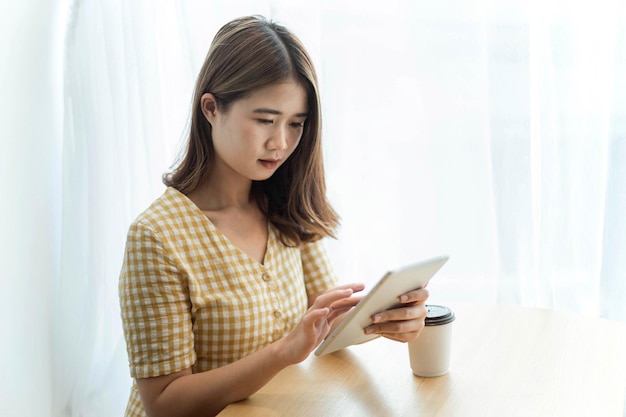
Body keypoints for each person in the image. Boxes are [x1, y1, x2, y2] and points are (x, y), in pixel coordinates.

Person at [118, 15, 429, 417]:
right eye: (265, 120)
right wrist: (282, 353)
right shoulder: (156, 237)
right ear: (211, 109)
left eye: (295, 124)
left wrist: (385, 316)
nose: (281, 143)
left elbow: (321, 319)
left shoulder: (284, 204)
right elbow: (164, 403)